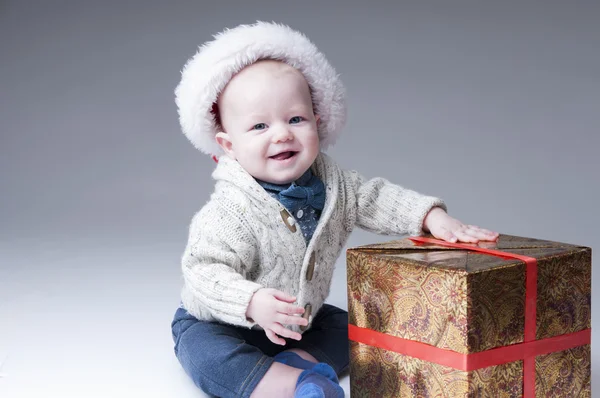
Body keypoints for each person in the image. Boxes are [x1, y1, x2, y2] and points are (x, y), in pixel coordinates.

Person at [170, 21, 499, 398]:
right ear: (228, 145)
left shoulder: (335, 186)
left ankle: (296, 361)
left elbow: (376, 198)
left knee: (355, 328)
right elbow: (202, 270)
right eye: (259, 126)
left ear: (317, 121)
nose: (281, 134)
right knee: (206, 355)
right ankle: (287, 384)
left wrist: (431, 217)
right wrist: (251, 303)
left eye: (295, 119)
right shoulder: (230, 209)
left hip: (298, 321)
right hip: (221, 321)